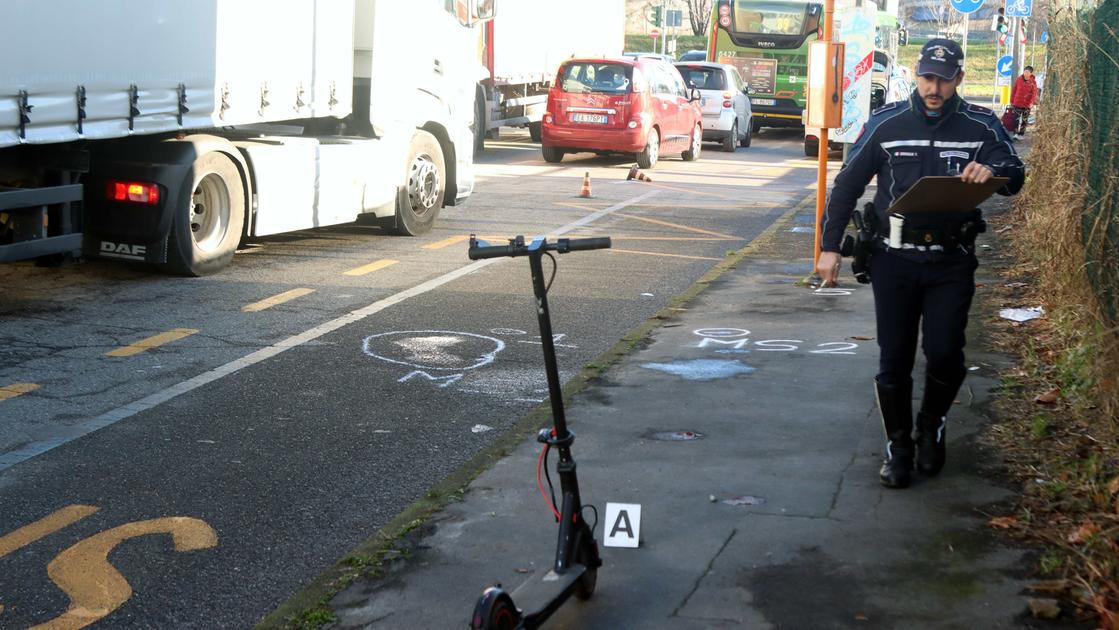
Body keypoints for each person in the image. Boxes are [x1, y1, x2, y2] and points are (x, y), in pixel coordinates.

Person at [816, 39, 1025, 489]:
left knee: (946, 353)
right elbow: (847, 185)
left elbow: (1014, 172)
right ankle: (899, 446)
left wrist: (994, 171)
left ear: (959, 80)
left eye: (944, 80)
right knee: (895, 358)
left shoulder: (980, 125)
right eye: (928, 77)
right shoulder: (887, 123)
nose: (934, 88)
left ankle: (931, 425)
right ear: (916, 73)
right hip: (894, 261)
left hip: (951, 262)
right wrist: (829, 247)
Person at [1009, 65, 1039, 139]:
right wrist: (1011, 100)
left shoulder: (1033, 82)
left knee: (1024, 120)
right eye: (1025, 71)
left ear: (1031, 73)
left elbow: (1034, 93)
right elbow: (1014, 90)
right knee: (1016, 119)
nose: (1025, 73)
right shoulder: (1019, 79)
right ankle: (1015, 133)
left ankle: (1021, 134)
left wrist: (1031, 102)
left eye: (1027, 72)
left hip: (1027, 104)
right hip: (1017, 102)